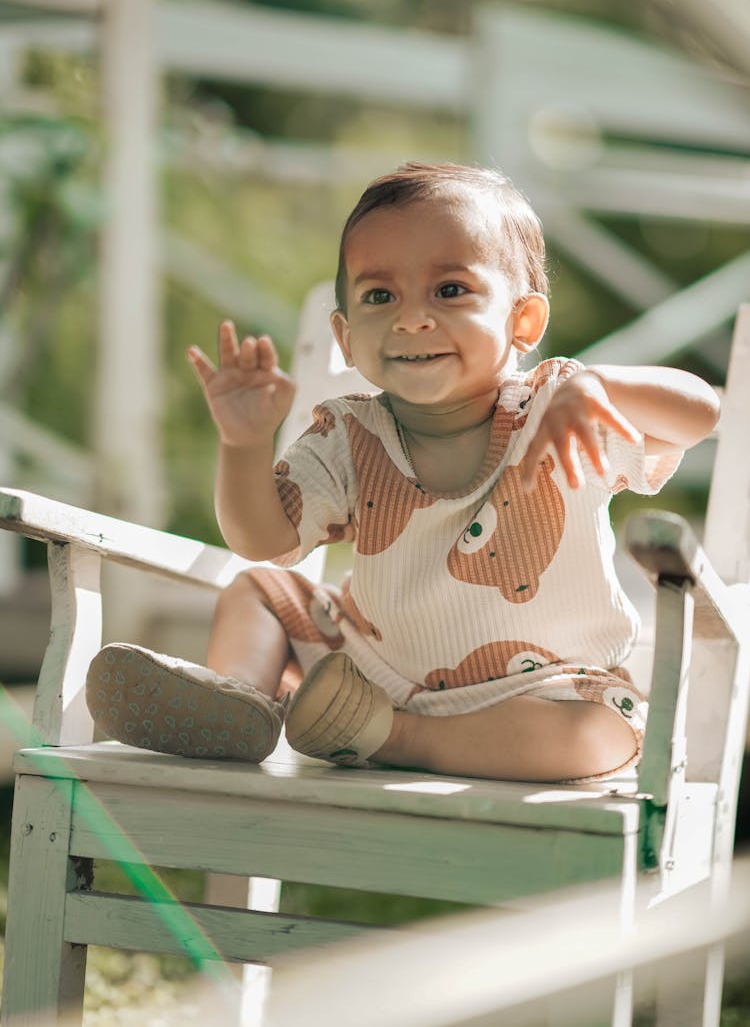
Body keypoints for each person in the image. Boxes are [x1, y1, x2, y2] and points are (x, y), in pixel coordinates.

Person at [86, 162, 720, 783]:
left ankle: (394, 738)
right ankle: (241, 708)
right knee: (261, 592)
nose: (411, 318)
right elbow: (266, 540)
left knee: (599, 735)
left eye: (450, 290)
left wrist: (603, 385)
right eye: (379, 295)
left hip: (536, 690)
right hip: (366, 669)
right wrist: (244, 443)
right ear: (346, 339)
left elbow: (703, 413)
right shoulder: (350, 434)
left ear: (522, 322)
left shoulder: (559, 407)